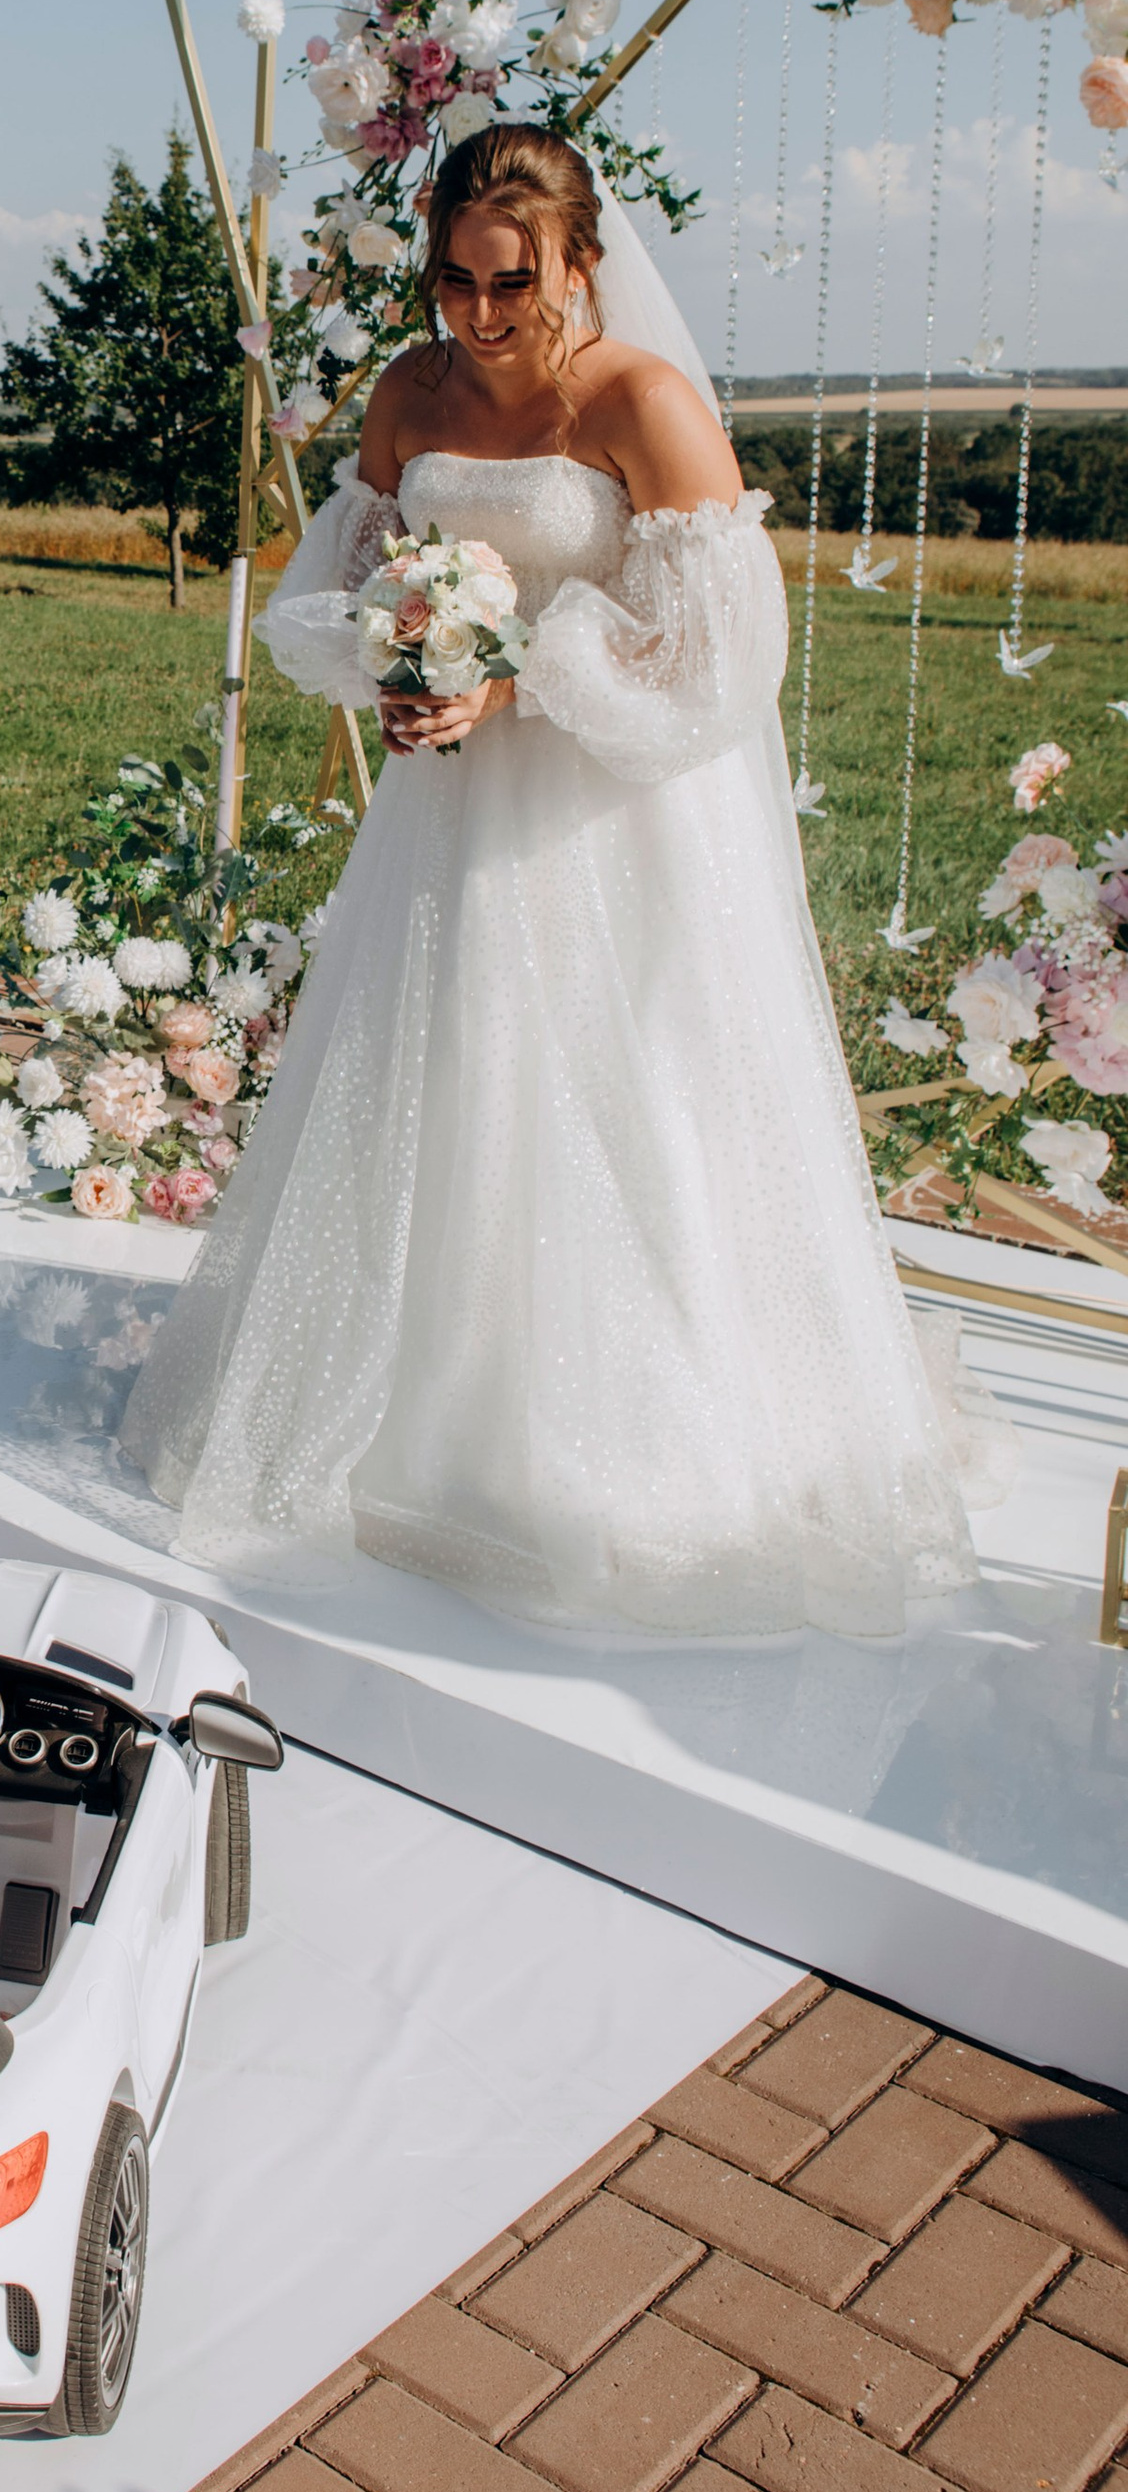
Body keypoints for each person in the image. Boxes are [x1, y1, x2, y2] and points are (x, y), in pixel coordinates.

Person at [124, 121, 993, 1641]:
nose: (476, 314)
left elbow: (720, 657)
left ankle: (627, 1457)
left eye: (510, 283)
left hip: (610, 811)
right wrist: (397, 664)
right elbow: (349, 578)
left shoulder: (643, 404)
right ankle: (422, 1435)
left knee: (621, 1094)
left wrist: (508, 677)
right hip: (444, 815)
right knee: (446, 1076)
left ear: (581, 263)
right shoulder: (411, 394)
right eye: (452, 279)